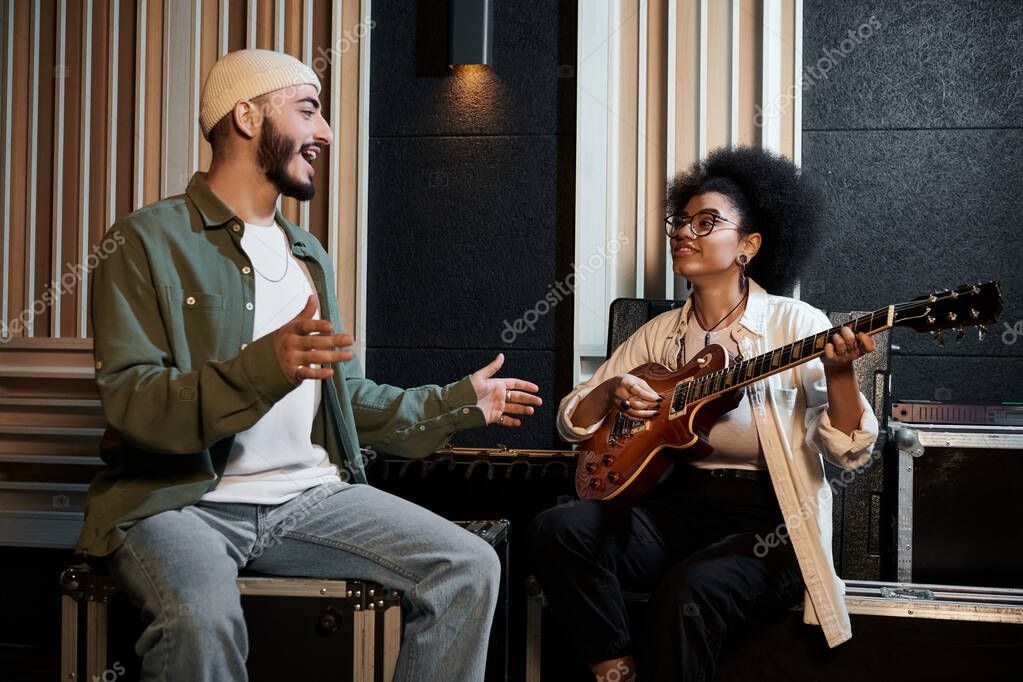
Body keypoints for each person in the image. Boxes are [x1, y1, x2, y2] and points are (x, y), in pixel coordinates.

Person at [77, 49, 542, 682]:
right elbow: (134, 403)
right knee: (200, 619)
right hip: (182, 504)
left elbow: (345, 399)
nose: (324, 131)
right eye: (308, 110)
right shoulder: (145, 240)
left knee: (468, 567)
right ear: (247, 116)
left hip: (308, 498)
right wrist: (264, 367)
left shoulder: (307, 254)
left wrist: (457, 402)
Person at [529, 146, 880, 681]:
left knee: (687, 591)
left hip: (771, 526)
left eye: (706, 222)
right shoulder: (659, 334)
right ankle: (614, 668)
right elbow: (572, 420)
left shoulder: (797, 324)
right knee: (557, 527)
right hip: (675, 511)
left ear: (748, 246)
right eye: (681, 222)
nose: (683, 233)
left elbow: (850, 450)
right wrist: (613, 391)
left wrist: (839, 373)